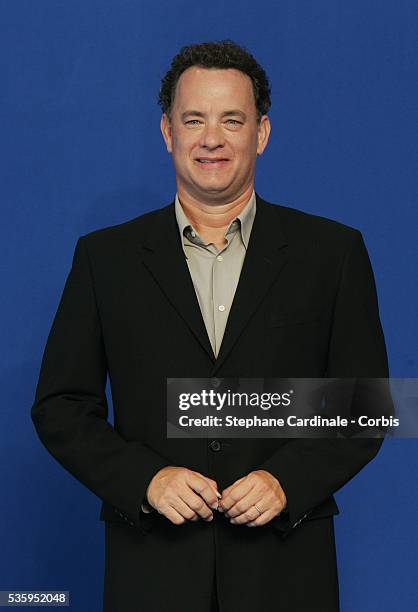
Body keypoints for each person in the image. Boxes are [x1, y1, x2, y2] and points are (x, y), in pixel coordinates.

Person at [31, 40, 390, 612]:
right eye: (193, 119)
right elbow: (61, 405)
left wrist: (286, 482)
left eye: (232, 120)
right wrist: (145, 480)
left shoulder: (334, 253)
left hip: (286, 571)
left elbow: (368, 405)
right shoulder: (106, 258)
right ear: (168, 132)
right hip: (152, 572)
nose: (212, 139)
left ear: (262, 133)